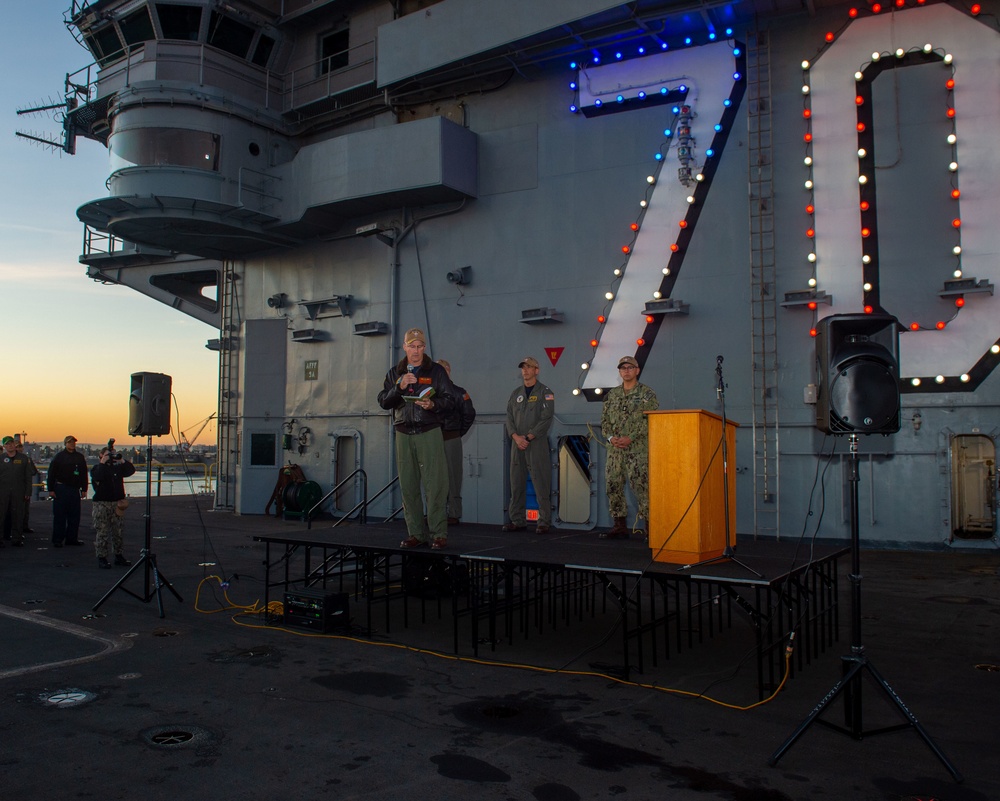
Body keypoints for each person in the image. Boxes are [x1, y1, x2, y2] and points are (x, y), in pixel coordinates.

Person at [377, 328, 457, 549]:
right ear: (404, 347)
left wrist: (433, 404)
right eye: (411, 346)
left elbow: (451, 400)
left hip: (429, 432)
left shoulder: (437, 371)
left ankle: (438, 533)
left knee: (436, 485)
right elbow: (383, 401)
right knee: (408, 486)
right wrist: (399, 387)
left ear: (424, 347)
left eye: (419, 346)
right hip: (403, 433)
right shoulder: (395, 373)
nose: (415, 350)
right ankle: (416, 533)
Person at [600, 356, 659, 539]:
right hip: (615, 450)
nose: (626, 371)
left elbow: (651, 420)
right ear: (619, 371)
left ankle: (651, 528)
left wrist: (630, 438)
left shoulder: (647, 394)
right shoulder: (612, 395)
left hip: (637, 450)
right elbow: (604, 421)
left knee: (641, 487)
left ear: (637, 370)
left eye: (630, 367)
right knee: (613, 485)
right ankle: (619, 525)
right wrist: (611, 438)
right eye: (623, 368)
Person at [504, 356, 555, 534]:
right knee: (516, 482)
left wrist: (529, 436)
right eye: (523, 367)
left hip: (536, 444)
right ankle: (517, 520)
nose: (525, 370)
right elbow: (509, 417)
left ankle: (544, 521)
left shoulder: (545, 392)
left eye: (529, 367)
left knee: (541, 482)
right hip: (517, 444)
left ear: (536, 370)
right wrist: (516, 437)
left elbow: (546, 418)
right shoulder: (516, 393)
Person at [436, 359, 476, 526]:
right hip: (432, 440)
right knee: (434, 478)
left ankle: (453, 513)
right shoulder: (428, 393)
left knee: (453, 477)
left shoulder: (459, 393)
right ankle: (435, 513)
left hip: (450, 439)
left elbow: (469, 414)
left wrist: (457, 433)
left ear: (448, 372)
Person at [90, 443, 137, 569]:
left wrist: (121, 460)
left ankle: (118, 555)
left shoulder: (117, 468)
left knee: (118, 531)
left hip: (117, 503)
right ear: (101, 455)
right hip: (102, 503)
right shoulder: (96, 468)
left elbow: (130, 470)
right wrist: (103, 462)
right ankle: (102, 557)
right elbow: (98, 476)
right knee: (102, 532)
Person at [47, 435, 89, 547]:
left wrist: (84, 489)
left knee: (74, 516)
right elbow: (51, 474)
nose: (72, 444)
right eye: (70, 442)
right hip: (61, 488)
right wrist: (50, 489)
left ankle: (72, 539)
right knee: (60, 515)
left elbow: (84, 474)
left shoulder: (79, 457)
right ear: (65, 443)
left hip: (74, 489)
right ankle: (57, 539)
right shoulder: (59, 457)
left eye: (73, 442)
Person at [0, 436, 34, 548]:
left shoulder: (24, 459)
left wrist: (28, 492)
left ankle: (17, 539)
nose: (10, 446)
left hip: (19, 492)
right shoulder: (1, 458)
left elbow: (28, 477)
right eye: (7, 444)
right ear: (4, 446)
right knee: (1, 516)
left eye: (11, 443)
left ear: (15, 445)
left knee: (18, 516)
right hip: (3, 492)